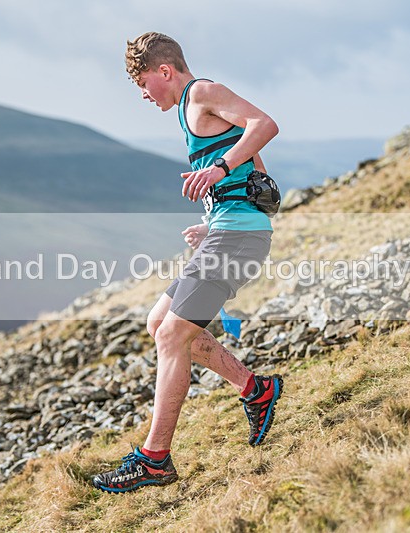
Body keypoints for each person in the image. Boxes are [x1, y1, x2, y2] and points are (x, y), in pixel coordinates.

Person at [92, 32, 283, 493]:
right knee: (160, 324)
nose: (142, 94)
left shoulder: (201, 92)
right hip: (230, 234)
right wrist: (216, 221)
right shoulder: (188, 113)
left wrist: (219, 172)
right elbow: (254, 166)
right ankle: (255, 389)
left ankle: (154, 460)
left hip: (239, 239)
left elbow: (265, 124)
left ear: (164, 71)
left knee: (174, 335)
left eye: (143, 83)